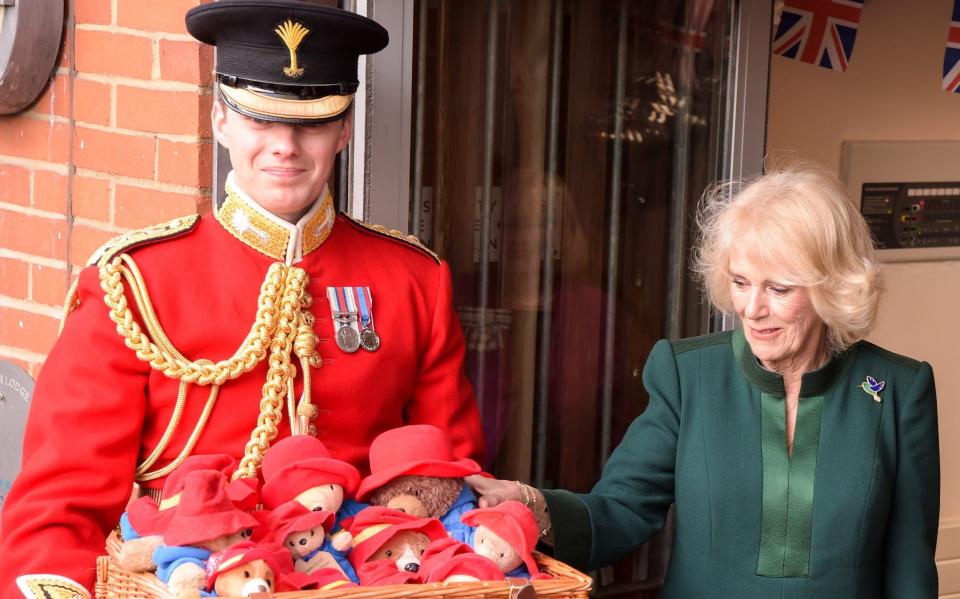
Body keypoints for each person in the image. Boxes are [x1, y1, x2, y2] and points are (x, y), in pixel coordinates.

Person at [0, 2, 484, 597]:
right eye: (259, 120)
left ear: (344, 128)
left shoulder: (413, 279)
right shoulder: (133, 282)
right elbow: (57, 513)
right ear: (220, 121)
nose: (284, 145)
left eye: (308, 122)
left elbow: (448, 485)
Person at [467, 164, 940, 598]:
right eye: (740, 281)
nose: (752, 309)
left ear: (831, 285)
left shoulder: (898, 389)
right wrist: (531, 503)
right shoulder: (687, 374)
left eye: (778, 289)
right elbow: (619, 512)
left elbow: (909, 569)